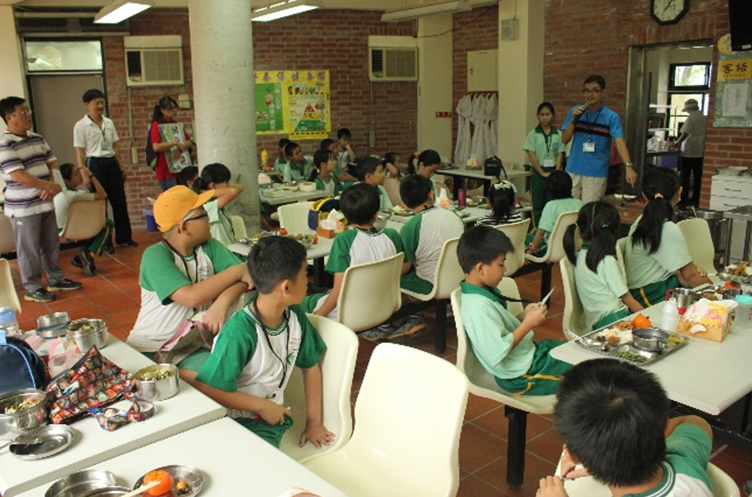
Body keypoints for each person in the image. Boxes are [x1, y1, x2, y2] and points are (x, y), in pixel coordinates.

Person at [187, 236, 334, 449]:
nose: (307, 281)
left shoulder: (294, 315)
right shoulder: (240, 330)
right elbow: (209, 388)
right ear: (286, 287)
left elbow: (310, 366)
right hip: (236, 420)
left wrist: (314, 423)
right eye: (304, 275)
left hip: (267, 420)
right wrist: (262, 406)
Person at [538, 359, 713, 497]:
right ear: (664, 426)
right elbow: (693, 421)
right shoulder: (685, 461)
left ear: (572, 456)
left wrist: (596, 455)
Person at [126, 186, 252, 374]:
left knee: (218, 375)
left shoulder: (210, 247)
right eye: (203, 215)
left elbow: (243, 280)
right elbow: (191, 297)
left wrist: (222, 303)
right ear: (183, 227)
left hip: (190, 347)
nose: (209, 218)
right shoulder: (155, 255)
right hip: (150, 347)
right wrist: (239, 270)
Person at [457, 225, 570, 395]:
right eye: (501, 264)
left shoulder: (481, 294)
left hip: (527, 357)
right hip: (521, 374)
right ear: (480, 268)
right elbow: (497, 350)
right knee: (587, 375)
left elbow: (499, 330)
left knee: (575, 353)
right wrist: (528, 323)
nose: (504, 270)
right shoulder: (477, 306)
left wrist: (523, 315)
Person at [1, 96, 81, 303]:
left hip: (45, 202)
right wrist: (47, 186)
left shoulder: (37, 138)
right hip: (24, 208)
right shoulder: (5, 144)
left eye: (27, 110)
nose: (29, 114)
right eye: (23, 111)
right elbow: (18, 175)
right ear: (9, 117)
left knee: (51, 245)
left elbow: (53, 163)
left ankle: (56, 279)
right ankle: (33, 287)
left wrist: (51, 186)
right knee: (29, 250)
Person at [302, 183, 404, 321]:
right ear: (376, 214)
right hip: (385, 306)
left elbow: (338, 291)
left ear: (345, 215)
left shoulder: (345, 239)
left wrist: (317, 317)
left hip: (350, 313)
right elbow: (404, 268)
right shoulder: (392, 235)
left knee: (303, 303)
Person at [624, 168, 710, 307]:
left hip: (659, 286)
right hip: (650, 293)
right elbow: (691, 276)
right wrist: (718, 293)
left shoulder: (643, 221)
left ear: (644, 195)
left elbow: (686, 274)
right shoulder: (667, 228)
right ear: (679, 192)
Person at [563, 202, 643, 330]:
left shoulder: (579, 256)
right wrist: (648, 319)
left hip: (597, 324)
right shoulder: (607, 262)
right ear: (614, 231)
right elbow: (628, 300)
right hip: (615, 320)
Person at [74, 89, 136, 247]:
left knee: (120, 202)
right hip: (95, 164)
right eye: (97, 103)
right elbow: (80, 151)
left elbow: (115, 146)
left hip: (111, 162)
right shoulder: (81, 126)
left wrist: (121, 167)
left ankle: (124, 238)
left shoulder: (109, 123)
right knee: (101, 204)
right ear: (87, 104)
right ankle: (104, 242)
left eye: (102, 102)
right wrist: (84, 173)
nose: (100, 106)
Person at [562, 75, 637, 203]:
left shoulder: (611, 116)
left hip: (596, 172)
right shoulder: (576, 111)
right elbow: (565, 139)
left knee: (590, 210)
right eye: (586, 91)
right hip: (573, 169)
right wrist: (574, 120)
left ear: (602, 92)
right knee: (569, 208)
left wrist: (628, 167)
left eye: (594, 90)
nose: (590, 94)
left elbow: (619, 142)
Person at [399, 174, 464, 295]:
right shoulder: (455, 216)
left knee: (390, 276)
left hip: (429, 284)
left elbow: (404, 268)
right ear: (431, 194)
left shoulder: (410, 226)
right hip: (458, 279)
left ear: (404, 204)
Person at [54, 163, 114, 276]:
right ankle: (88, 256)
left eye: (78, 172)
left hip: (60, 228)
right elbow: (103, 194)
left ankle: (81, 258)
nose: (80, 175)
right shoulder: (73, 195)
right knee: (107, 223)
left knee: (89, 224)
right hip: (69, 229)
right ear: (67, 181)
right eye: (75, 174)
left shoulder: (60, 193)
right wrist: (91, 176)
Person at [524, 102, 565, 226]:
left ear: (553, 116)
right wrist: (541, 172)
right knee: (537, 205)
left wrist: (556, 171)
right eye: (542, 115)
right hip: (538, 172)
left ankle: (550, 230)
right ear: (538, 116)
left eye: (547, 114)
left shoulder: (558, 134)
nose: (545, 117)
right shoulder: (533, 134)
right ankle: (538, 230)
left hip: (553, 171)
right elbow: (531, 154)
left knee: (551, 204)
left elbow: (560, 153)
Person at [526, 170, 583, 255]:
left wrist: (531, 250)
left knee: (526, 237)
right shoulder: (579, 203)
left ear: (549, 189)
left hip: (552, 250)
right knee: (535, 230)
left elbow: (541, 232)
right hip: (574, 247)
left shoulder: (551, 206)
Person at [149, 96, 196, 192]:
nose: (174, 111)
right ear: (162, 110)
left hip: (180, 167)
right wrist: (174, 143)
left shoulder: (176, 124)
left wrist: (180, 148)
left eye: (175, 108)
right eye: (170, 108)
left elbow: (189, 141)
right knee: (172, 195)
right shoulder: (156, 125)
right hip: (166, 170)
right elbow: (156, 146)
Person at [191, 163, 243, 246]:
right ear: (213, 185)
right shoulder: (207, 206)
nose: (228, 186)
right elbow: (233, 191)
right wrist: (205, 193)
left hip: (231, 248)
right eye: (226, 182)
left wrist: (206, 191)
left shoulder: (217, 200)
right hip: (222, 250)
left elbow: (240, 187)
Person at [671, 99, 706, 208]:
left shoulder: (691, 118)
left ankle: (683, 199)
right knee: (698, 177)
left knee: (684, 177)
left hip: (689, 151)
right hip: (700, 151)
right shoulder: (704, 118)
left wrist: (677, 143)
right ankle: (696, 199)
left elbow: (685, 133)